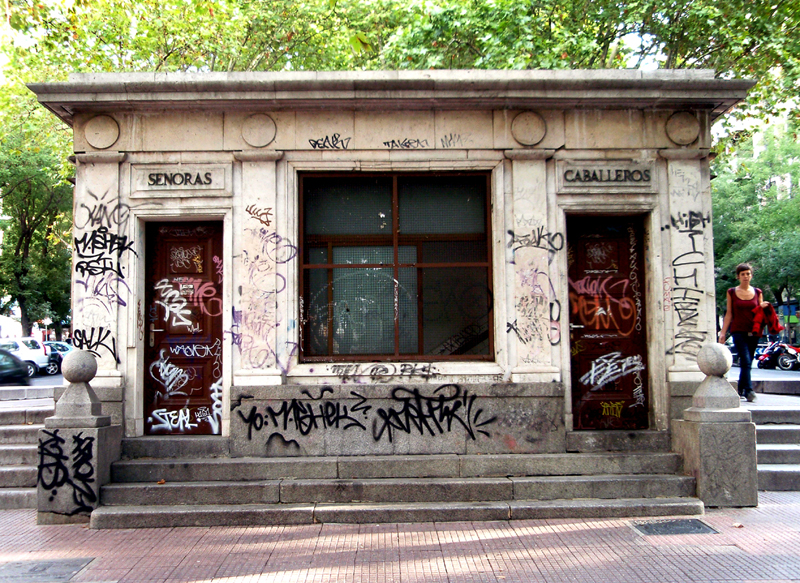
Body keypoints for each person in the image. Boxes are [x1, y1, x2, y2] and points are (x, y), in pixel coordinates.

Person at [718, 263, 770, 402]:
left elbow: (759, 312)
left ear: (751, 275)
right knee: (746, 360)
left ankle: (741, 387)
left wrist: (764, 307)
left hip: (754, 331)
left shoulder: (758, 292)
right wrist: (723, 333)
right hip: (738, 331)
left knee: (749, 361)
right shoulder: (731, 292)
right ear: (738, 276)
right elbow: (729, 313)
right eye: (743, 274)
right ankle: (749, 390)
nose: (746, 276)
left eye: (748, 274)